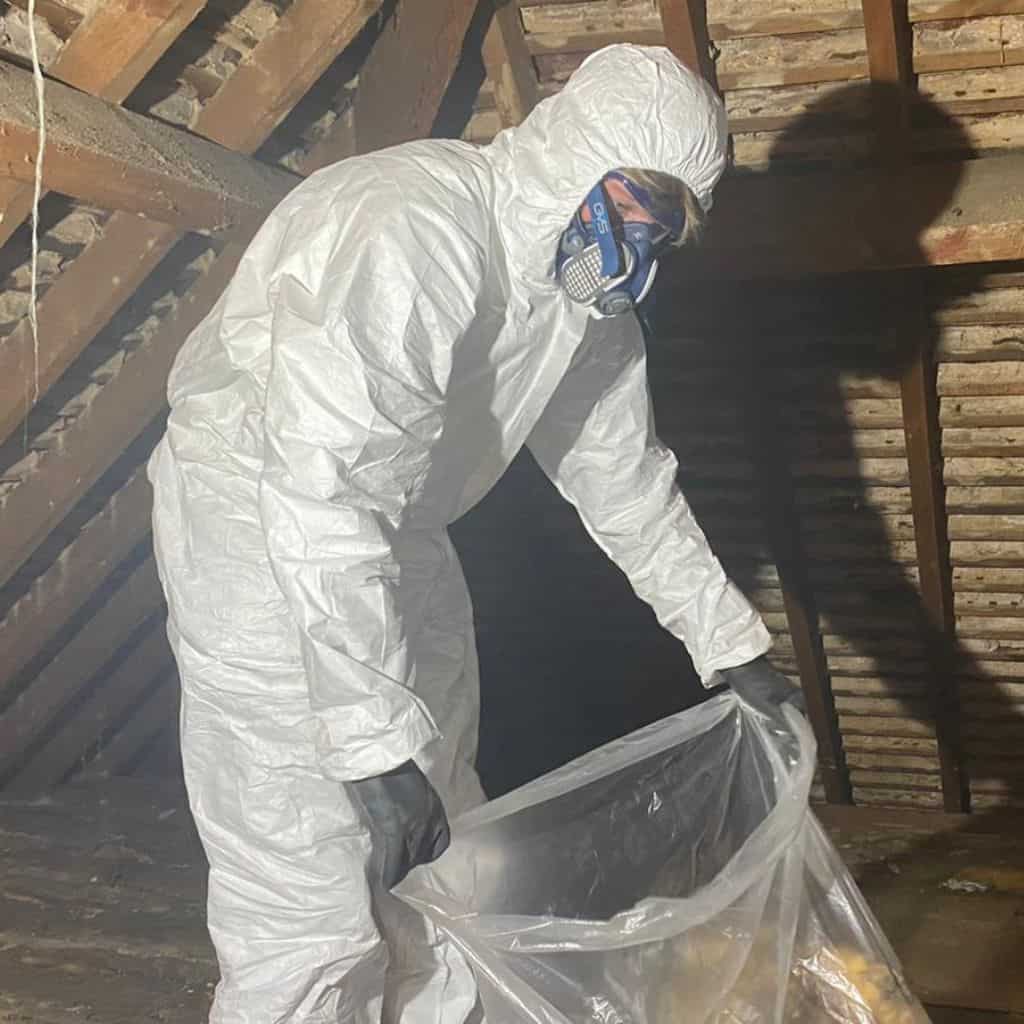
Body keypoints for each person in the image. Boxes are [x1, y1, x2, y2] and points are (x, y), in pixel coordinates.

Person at [148, 42, 802, 1024]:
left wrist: (730, 643)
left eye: (663, 231)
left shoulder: (584, 310)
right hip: (257, 523)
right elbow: (322, 483)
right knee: (311, 887)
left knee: (445, 849)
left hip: (400, 524)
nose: (639, 249)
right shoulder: (412, 225)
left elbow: (625, 483)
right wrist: (368, 742)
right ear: (582, 156)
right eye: (634, 206)